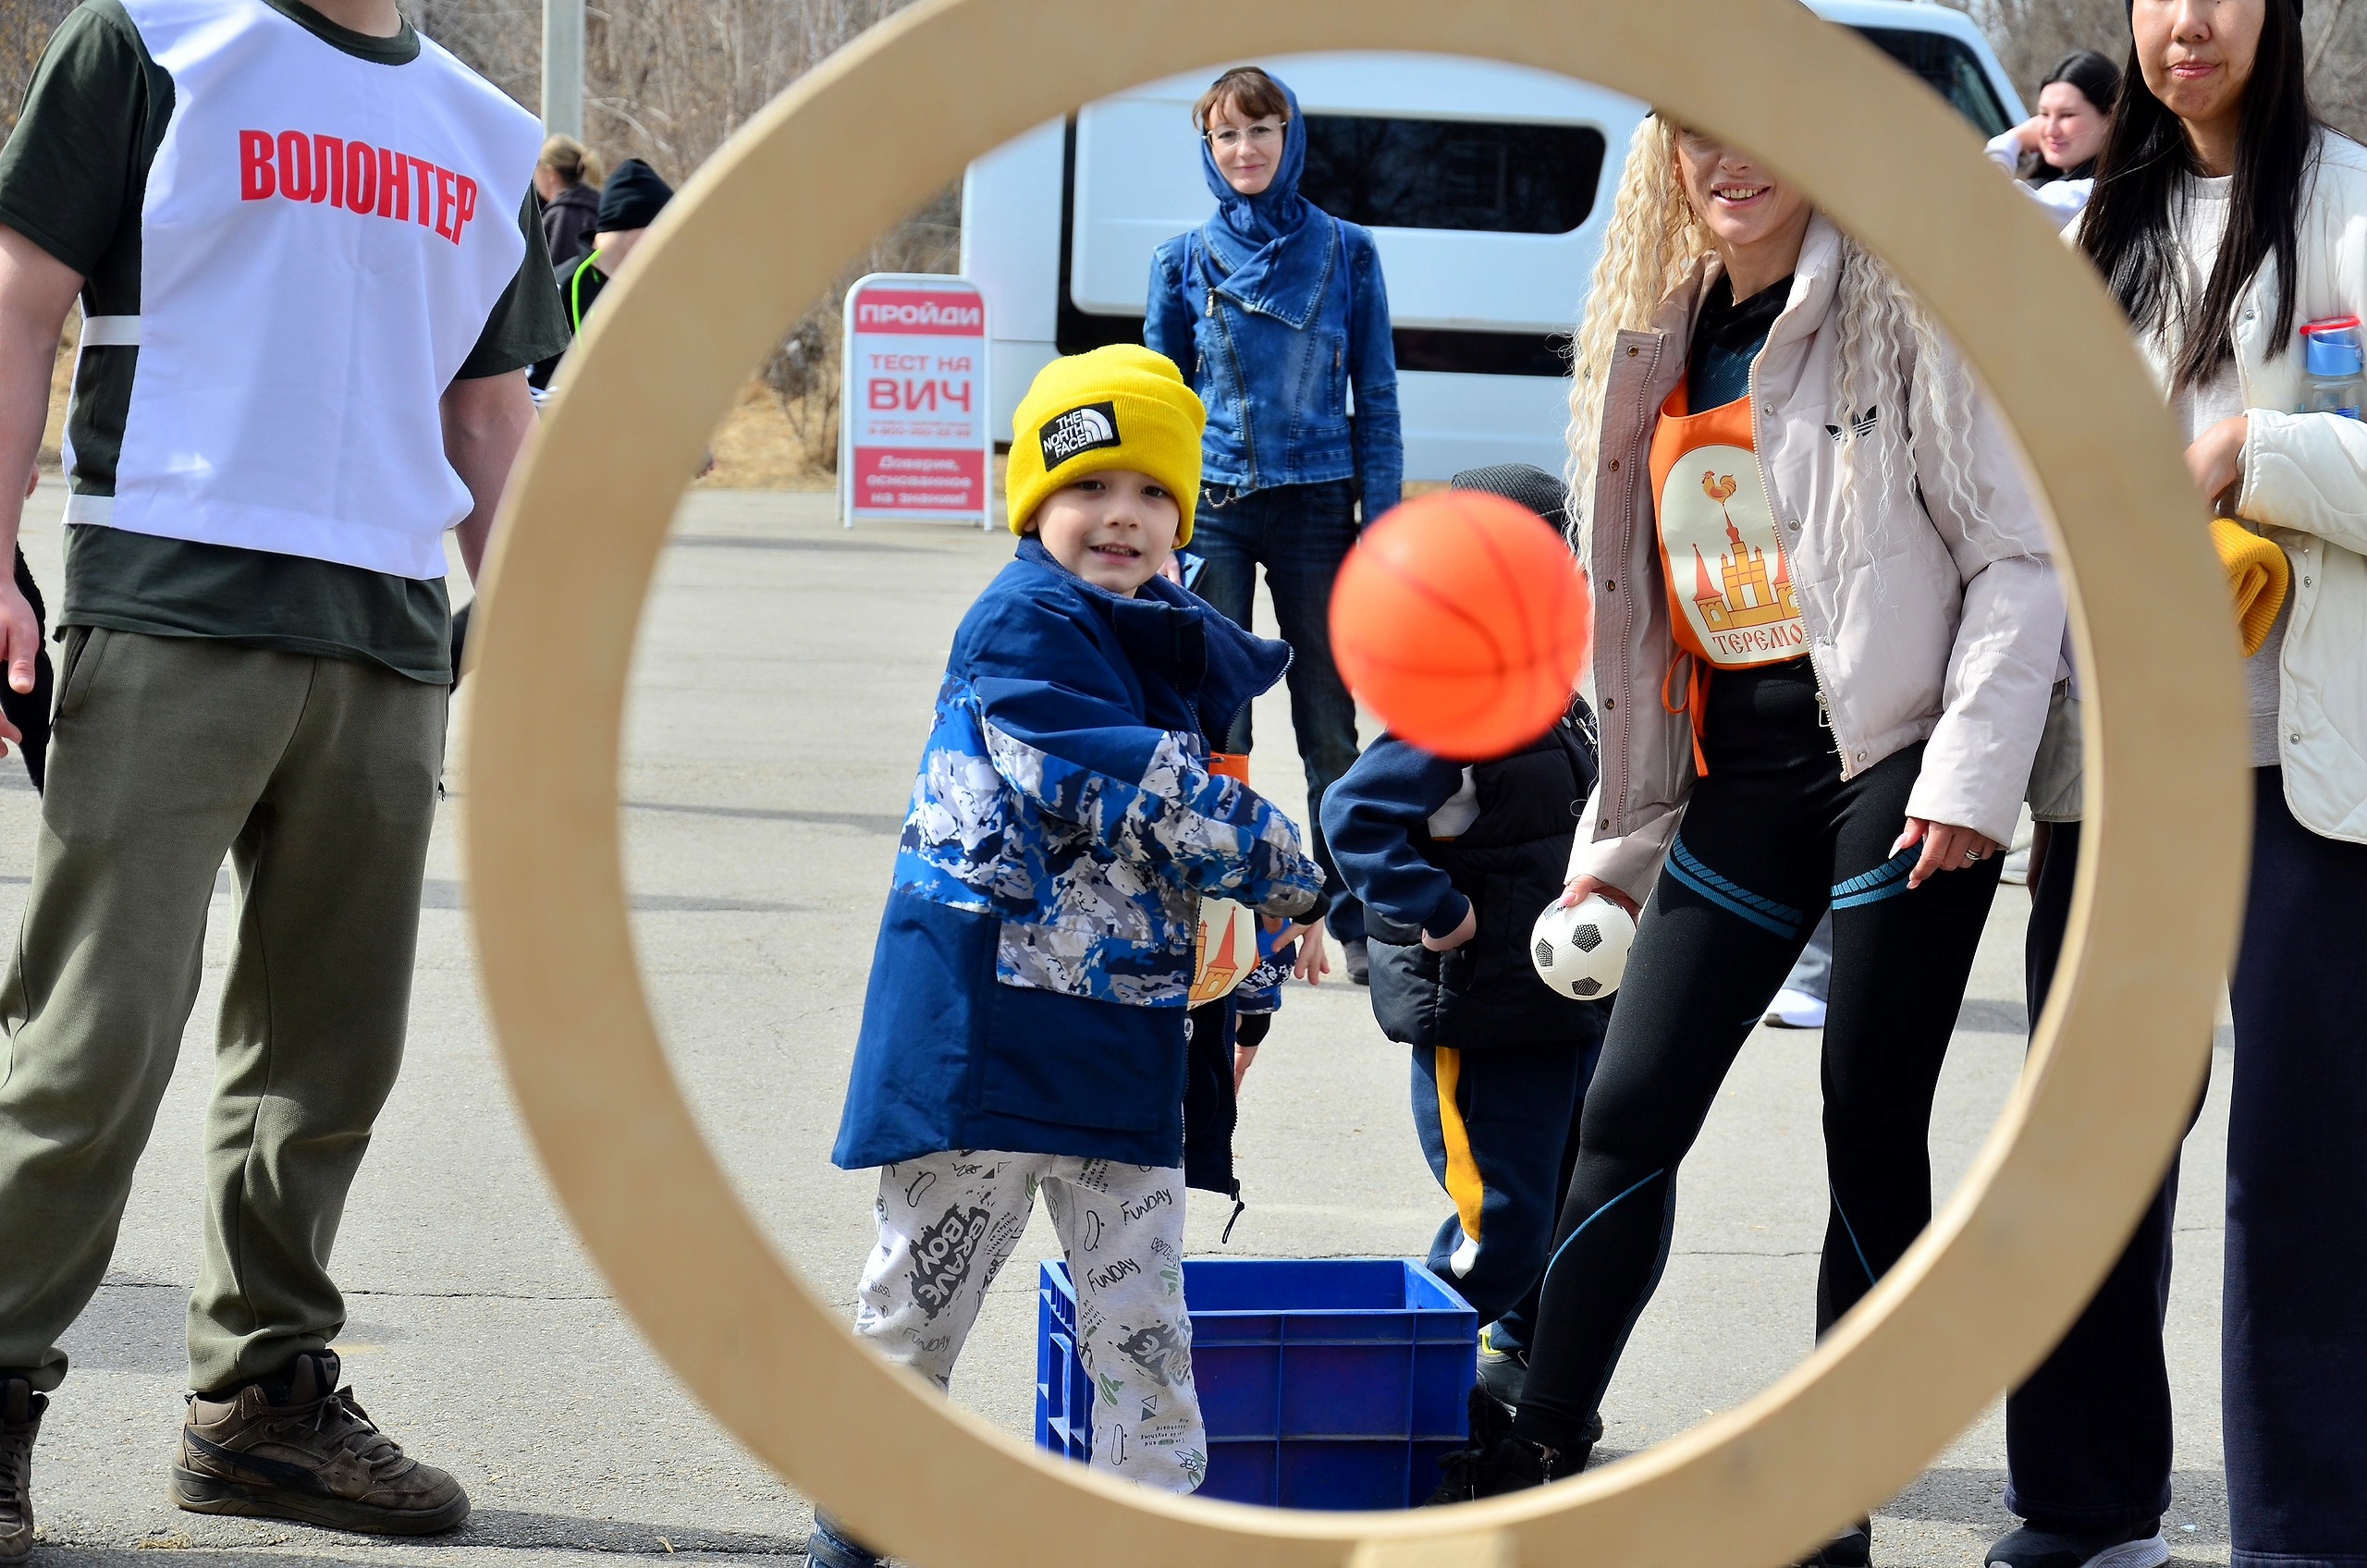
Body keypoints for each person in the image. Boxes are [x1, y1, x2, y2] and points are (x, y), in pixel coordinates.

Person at [1425, 115, 2062, 1545]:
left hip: (1899, 767)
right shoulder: (1657, 341)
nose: (1731, 162)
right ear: (1667, 158)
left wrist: (1968, 780)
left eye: (1763, 129)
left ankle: (1836, 1488)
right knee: (1627, 1111)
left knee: (1868, 1124)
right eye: (1699, 138)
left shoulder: (1906, 311)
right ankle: (1542, 1437)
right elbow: (1642, 625)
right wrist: (1615, 844)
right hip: (1742, 775)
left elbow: (2019, 562)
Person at [0, 0, 566, 1549]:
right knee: (92, 1040)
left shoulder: (483, 130)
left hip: (386, 637)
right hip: (171, 601)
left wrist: (540, 647)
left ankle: (260, 1403)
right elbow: (21, 301)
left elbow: (487, 415)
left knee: (330, 1052)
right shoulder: (155, 41)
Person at [813, 345, 1326, 1568]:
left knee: (1143, 1333)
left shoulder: (1165, 634)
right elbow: (1135, 789)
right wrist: (1294, 868)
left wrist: (1246, 993)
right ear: (1033, 502)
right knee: (916, 1314)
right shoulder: (1022, 627)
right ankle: (857, 1526)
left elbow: (1198, 864)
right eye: (1088, 486)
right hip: (984, 1051)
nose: (1121, 516)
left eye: (1153, 492)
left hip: (1118, 1051)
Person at [1986, 3, 2367, 1565]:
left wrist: (2253, 454)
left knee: (2302, 1162)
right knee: (2092, 1141)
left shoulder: (2350, 204)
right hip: (2119, 760)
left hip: (2302, 771)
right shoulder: (2088, 227)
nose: (2184, 22)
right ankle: (2085, 1508)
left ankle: (2308, 1527)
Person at [1322, 461, 1612, 1422]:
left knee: (1559, 1192)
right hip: (1482, 1012)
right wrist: (1434, 907)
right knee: (1502, 1220)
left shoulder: (1551, 690)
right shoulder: (1451, 696)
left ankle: (1514, 1356)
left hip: (1559, 1003)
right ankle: (1392, 1377)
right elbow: (1355, 813)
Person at [1146, 65, 1402, 987]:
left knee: (1329, 724)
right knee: (1218, 717)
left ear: (1291, 139)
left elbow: (1376, 393)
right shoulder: (1179, 260)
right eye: (1226, 135)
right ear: (1207, 148)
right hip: (1212, 509)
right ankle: (1228, 914)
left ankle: (1352, 914)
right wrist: (1159, 524)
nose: (1245, 149)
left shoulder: (1348, 251)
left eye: (1261, 130)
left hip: (1318, 508)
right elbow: (1161, 405)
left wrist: (1383, 523)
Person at [529, 156, 672, 394]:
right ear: (641, 228)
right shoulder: (561, 286)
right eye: (665, 228)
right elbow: (533, 384)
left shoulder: (656, 287)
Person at [1985, 51, 2122, 227]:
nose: (2050, 130)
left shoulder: (2087, 194)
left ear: (2110, 118)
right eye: (2044, 114)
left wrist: (2013, 139)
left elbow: (1983, 195)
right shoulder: (2056, 186)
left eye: (2067, 115)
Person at [533, 132, 603, 271]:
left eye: (536, 169)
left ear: (551, 174)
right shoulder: (598, 206)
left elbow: (557, 277)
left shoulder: (562, 216)